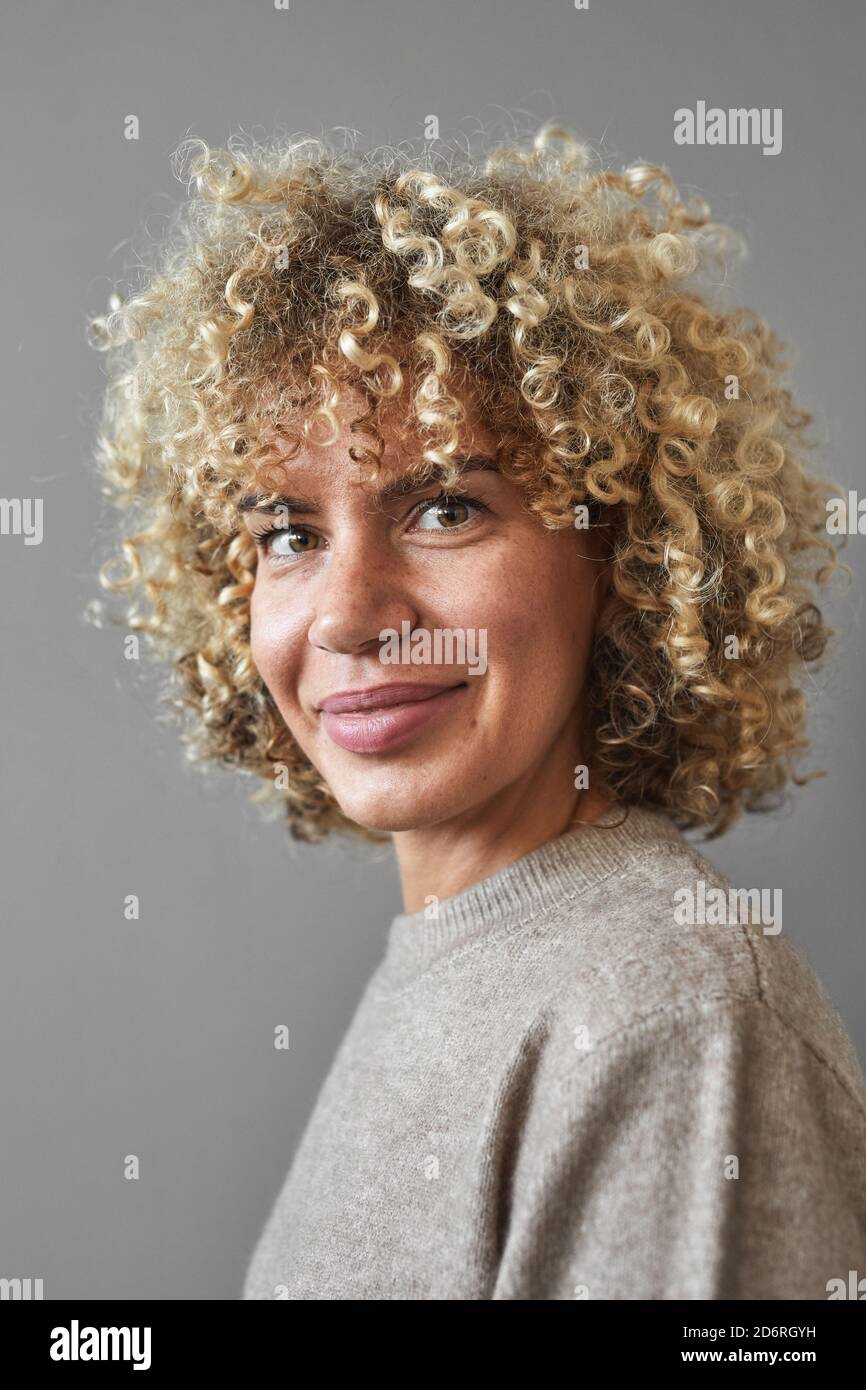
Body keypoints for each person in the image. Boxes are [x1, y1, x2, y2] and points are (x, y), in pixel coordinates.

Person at [88, 123, 866, 1299]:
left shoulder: (671, 1015)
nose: (347, 615)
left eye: (444, 508)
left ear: (619, 557)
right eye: (289, 533)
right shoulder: (471, 960)